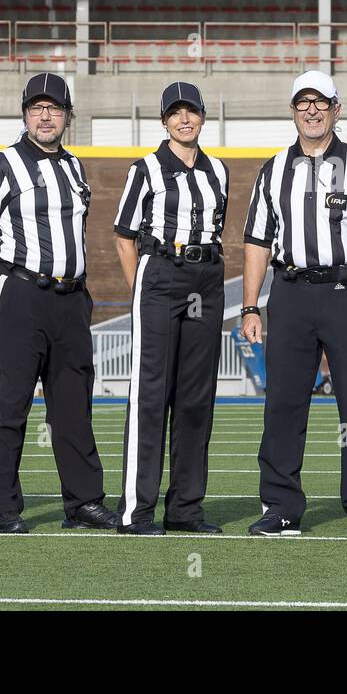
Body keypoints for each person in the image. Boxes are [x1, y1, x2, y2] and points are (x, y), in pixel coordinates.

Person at [240, 70, 347, 538]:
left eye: (321, 102)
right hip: (289, 293)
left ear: (336, 109)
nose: (312, 110)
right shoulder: (273, 168)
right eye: (303, 103)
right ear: (293, 111)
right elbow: (256, 241)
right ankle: (281, 505)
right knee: (283, 404)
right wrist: (251, 306)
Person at [0, 72, 118, 534]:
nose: (45, 115)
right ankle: (1, 508)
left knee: (73, 407)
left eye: (54, 108)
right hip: (21, 293)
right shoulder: (4, 165)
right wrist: (3, 296)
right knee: (8, 404)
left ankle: (84, 503)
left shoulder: (74, 166)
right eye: (37, 107)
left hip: (70, 299)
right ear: (25, 113)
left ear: (69, 115)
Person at [112, 81, 228, 535]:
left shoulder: (218, 171)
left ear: (202, 117)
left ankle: (185, 508)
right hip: (160, 273)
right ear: (164, 121)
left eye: (192, 112)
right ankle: (136, 512)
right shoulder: (144, 169)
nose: (185, 120)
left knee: (197, 397)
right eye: (176, 113)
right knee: (151, 394)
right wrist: (143, 287)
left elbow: (217, 229)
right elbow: (124, 236)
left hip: (206, 277)